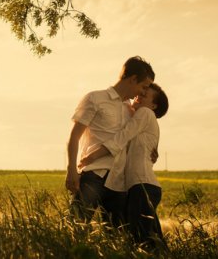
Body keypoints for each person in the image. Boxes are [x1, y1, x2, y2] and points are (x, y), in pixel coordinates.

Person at [65, 56, 155, 224]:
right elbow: (74, 136)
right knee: (76, 226)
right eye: (143, 86)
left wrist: (153, 149)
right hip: (93, 175)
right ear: (133, 79)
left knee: (117, 238)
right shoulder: (95, 98)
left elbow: (134, 137)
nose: (143, 92)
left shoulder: (132, 110)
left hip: (119, 183)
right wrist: (71, 170)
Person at [79, 83, 169, 251]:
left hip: (143, 186)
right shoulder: (138, 116)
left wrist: (94, 155)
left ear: (153, 105)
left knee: (141, 240)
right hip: (141, 186)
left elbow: (122, 137)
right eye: (140, 92)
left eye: (144, 95)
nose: (138, 96)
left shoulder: (145, 113)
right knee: (151, 239)